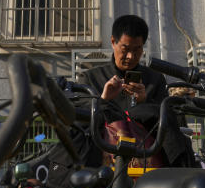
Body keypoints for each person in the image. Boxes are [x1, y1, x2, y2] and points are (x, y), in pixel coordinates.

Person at [82, 14, 192, 167]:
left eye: (137, 49)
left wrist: (145, 101)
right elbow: (80, 122)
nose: (131, 56)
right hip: (104, 163)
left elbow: (170, 125)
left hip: (149, 162)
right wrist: (103, 100)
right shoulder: (91, 78)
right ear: (113, 42)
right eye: (125, 49)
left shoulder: (155, 79)